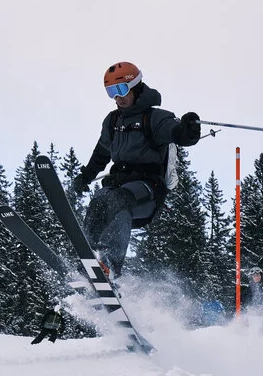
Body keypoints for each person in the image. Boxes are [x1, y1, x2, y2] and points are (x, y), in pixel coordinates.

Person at [70, 61, 203, 278]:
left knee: (119, 200)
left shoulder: (155, 118)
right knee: (98, 202)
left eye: (121, 90)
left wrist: (189, 130)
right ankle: (89, 258)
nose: (117, 98)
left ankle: (110, 265)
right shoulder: (112, 122)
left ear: (136, 87)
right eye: (111, 92)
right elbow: (101, 153)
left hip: (148, 189)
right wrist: (85, 177)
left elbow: (178, 135)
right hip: (118, 186)